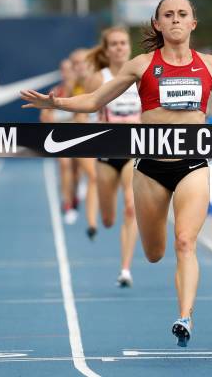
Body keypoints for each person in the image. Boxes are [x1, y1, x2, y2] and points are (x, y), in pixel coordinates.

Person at [21, 0, 212, 347]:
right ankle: (152, 265)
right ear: (157, 25)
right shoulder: (141, 65)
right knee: (155, 252)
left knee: (185, 242)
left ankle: (185, 316)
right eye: (168, 15)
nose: (175, 20)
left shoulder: (209, 64)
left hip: (192, 165)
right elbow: (95, 100)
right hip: (150, 169)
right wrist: (58, 103)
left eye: (182, 14)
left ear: (193, 23)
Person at [83, 27, 141, 287]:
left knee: (131, 206)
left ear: (129, 47)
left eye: (123, 43)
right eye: (114, 44)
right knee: (108, 219)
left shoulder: (141, 76)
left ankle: (126, 269)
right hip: (106, 154)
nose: (119, 47)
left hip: (133, 152)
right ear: (106, 51)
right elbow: (85, 111)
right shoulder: (98, 79)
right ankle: (105, 217)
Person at [40, 59, 81, 225]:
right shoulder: (55, 92)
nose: (66, 73)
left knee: (77, 171)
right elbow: (44, 117)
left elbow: (83, 115)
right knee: (64, 166)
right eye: (63, 70)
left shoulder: (80, 91)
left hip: (78, 136)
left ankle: (74, 194)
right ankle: (67, 203)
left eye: (69, 69)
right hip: (60, 137)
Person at [69, 49, 99, 239]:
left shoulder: (99, 80)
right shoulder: (74, 85)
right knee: (90, 175)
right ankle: (91, 222)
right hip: (82, 135)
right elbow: (78, 114)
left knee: (94, 177)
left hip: (102, 133)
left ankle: (91, 220)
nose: (80, 67)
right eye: (76, 64)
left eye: (83, 63)